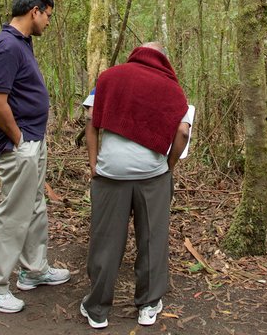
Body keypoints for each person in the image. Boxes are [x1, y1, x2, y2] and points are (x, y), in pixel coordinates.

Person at [80, 43, 193, 329]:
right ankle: (148, 304)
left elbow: (91, 122)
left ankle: (97, 309)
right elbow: (182, 131)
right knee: (152, 240)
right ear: (163, 59)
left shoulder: (109, 77)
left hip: (110, 174)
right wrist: (169, 166)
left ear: (135, 54)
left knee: (106, 241)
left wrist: (94, 163)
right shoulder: (172, 88)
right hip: (152, 175)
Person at [0, 0, 70, 314]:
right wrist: (19, 141)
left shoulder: (22, 43)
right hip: (19, 144)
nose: (48, 23)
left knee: (35, 206)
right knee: (14, 212)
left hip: (32, 140)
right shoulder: (5, 47)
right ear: (35, 11)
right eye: (48, 16)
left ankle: (34, 269)